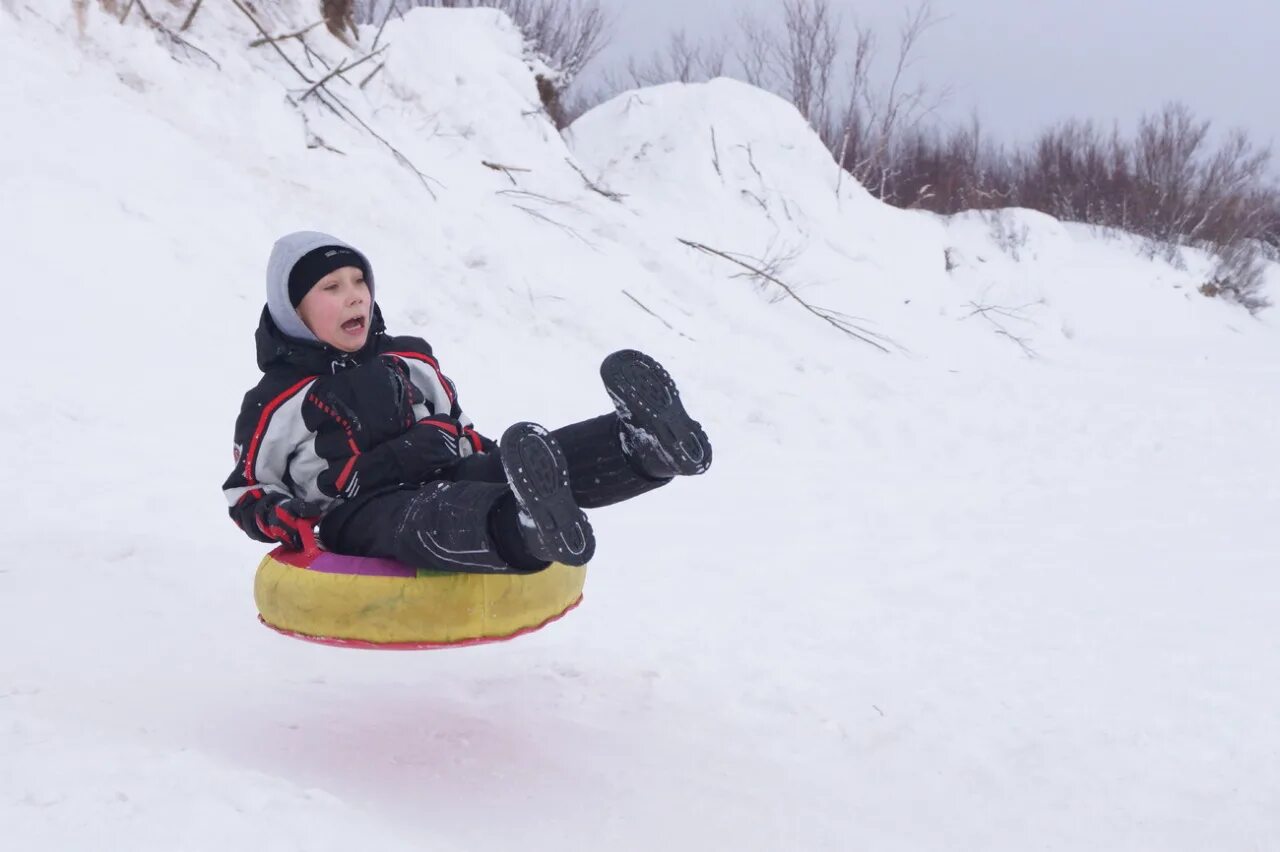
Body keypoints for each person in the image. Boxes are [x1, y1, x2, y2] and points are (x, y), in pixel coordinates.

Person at [221, 231, 711, 573]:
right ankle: (526, 531)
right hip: (357, 510)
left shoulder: (408, 357)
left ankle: (638, 448)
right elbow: (247, 489)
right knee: (425, 516)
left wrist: (499, 461)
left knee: (502, 471)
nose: (355, 298)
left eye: (359, 282)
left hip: (441, 471)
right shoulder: (278, 400)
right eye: (331, 287)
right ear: (293, 312)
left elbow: (457, 424)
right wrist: (286, 518)